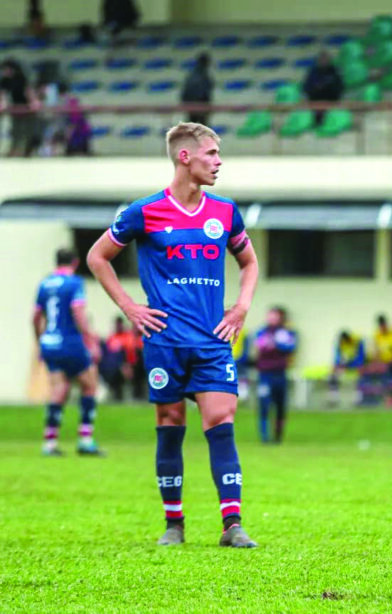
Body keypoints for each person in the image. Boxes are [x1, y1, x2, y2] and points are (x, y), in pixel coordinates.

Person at [87, 122, 260, 548]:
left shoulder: (225, 213)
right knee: (169, 423)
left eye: (219, 154)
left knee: (221, 422)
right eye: (212, 154)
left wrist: (240, 308)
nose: (219, 162)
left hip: (212, 340)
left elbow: (250, 263)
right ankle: (174, 524)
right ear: (186, 157)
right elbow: (97, 256)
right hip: (164, 341)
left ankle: (232, 525)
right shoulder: (143, 212)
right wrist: (129, 307)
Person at [33, 248, 103, 457]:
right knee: (90, 386)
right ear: (75, 262)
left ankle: (50, 442)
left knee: (59, 389)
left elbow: (35, 317)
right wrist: (91, 339)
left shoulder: (44, 284)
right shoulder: (74, 283)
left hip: (50, 342)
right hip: (70, 341)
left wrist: (40, 341)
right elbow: (78, 312)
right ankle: (85, 439)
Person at [253, 307, 298, 443]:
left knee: (280, 406)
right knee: (264, 405)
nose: (271, 318)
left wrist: (276, 344)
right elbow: (260, 347)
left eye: (274, 316)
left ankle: (278, 436)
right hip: (265, 375)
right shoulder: (262, 332)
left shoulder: (287, 332)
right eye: (269, 315)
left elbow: (290, 348)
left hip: (280, 374)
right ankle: (264, 437)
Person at [0, 59, 40, 157]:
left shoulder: (21, 78)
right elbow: (3, 93)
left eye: (6, 69)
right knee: (15, 131)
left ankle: (27, 151)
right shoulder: (5, 80)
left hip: (26, 108)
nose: (4, 72)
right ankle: (14, 150)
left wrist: (33, 102)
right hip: (15, 109)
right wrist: (2, 103)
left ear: (11, 69)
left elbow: (28, 91)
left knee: (27, 131)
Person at [302, 50, 343, 126]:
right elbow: (306, 87)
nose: (323, 61)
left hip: (331, 100)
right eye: (321, 59)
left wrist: (325, 87)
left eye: (325, 59)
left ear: (329, 60)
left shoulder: (334, 71)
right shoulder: (313, 72)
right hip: (315, 99)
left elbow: (339, 87)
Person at [329, 330, 365, 406]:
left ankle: (359, 400)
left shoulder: (357, 341)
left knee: (362, 375)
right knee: (332, 376)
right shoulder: (340, 344)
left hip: (355, 366)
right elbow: (337, 358)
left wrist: (352, 364)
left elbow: (361, 357)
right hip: (344, 366)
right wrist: (338, 365)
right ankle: (334, 398)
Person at [181, 53, 214, 126]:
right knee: (203, 127)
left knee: (192, 126)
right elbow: (206, 89)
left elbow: (185, 91)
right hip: (200, 104)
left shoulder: (191, 74)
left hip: (190, 104)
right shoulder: (203, 74)